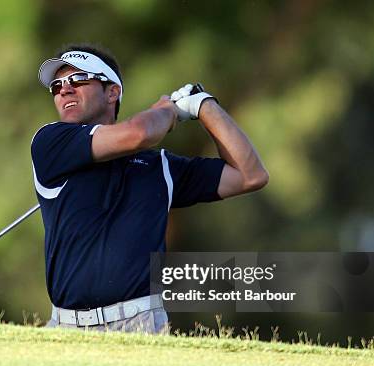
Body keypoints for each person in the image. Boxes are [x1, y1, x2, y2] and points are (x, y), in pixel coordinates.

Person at [31, 43, 268, 334]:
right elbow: (140, 133)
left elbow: (250, 175)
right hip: (66, 327)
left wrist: (204, 106)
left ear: (112, 92)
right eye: (57, 85)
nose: (64, 89)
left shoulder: (162, 167)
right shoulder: (49, 142)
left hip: (140, 325)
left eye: (78, 79)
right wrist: (169, 110)